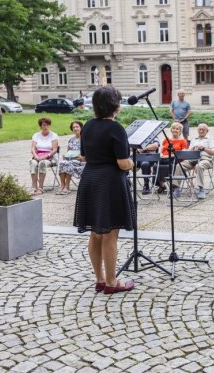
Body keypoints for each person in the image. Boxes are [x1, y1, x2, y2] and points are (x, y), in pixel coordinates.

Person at [73, 86, 135, 294]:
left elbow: (85, 156)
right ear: (115, 106)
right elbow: (122, 163)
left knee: (95, 233)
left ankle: (99, 279)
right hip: (109, 183)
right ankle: (111, 282)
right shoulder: (115, 128)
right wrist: (133, 162)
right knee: (110, 234)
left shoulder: (88, 126)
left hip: (90, 179)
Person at [138, 122, 188, 194]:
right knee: (155, 166)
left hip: (174, 159)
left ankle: (172, 186)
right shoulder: (166, 139)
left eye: (177, 129)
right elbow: (162, 149)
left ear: (180, 131)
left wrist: (170, 156)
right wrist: (161, 154)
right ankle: (160, 184)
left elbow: (183, 153)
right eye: (173, 128)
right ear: (171, 130)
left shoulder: (183, 141)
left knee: (170, 166)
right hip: (163, 158)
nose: (175, 130)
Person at [175, 123, 214, 200]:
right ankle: (176, 188)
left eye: (203, 130)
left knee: (199, 166)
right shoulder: (194, 139)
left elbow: (213, 152)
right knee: (178, 166)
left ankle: (201, 189)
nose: (201, 131)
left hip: (205, 159)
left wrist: (204, 148)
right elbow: (188, 152)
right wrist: (192, 149)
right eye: (199, 129)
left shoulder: (210, 139)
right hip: (192, 159)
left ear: (207, 131)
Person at [29, 117, 59, 195]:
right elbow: (32, 148)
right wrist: (35, 156)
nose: (46, 127)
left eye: (47, 125)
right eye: (44, 125)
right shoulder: (36, 135)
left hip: (50, 158)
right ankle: (34, 187)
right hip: (38, 156)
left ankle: (40, 188)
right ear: (40, 126)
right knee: (33, 162)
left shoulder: (53, 135)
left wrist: (46, 156)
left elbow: (55, 150)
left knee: (42, 163)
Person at [57, 120, 85, 195]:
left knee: (68, 164)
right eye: (73, 127)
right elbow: (68, 151)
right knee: (63, 163)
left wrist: (83, 157)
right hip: (71, 159)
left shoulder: (85, 139)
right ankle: (62, 185)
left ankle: (67, 186)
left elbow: (88, 153)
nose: (75, 129)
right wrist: (65, 156)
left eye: (77, 127)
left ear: (81, 128)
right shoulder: (71, 140)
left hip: (81, 161)